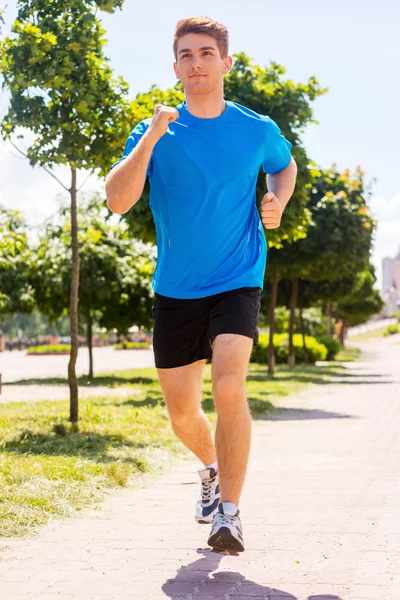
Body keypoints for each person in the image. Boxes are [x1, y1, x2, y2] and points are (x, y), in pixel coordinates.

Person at [106, 16, 297, 553]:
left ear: (225, 63)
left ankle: (230, 515)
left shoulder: (255, 128)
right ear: (175, 67)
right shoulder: (157, 132)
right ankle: (210, 470)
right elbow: (118, 199)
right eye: (186, 55)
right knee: (183, 413)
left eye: (207, 53)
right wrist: (149, 139)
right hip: (176, 288)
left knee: (230, 383)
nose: (196, 63)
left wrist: (276, 199)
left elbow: (284, 167)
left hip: (238, 277)